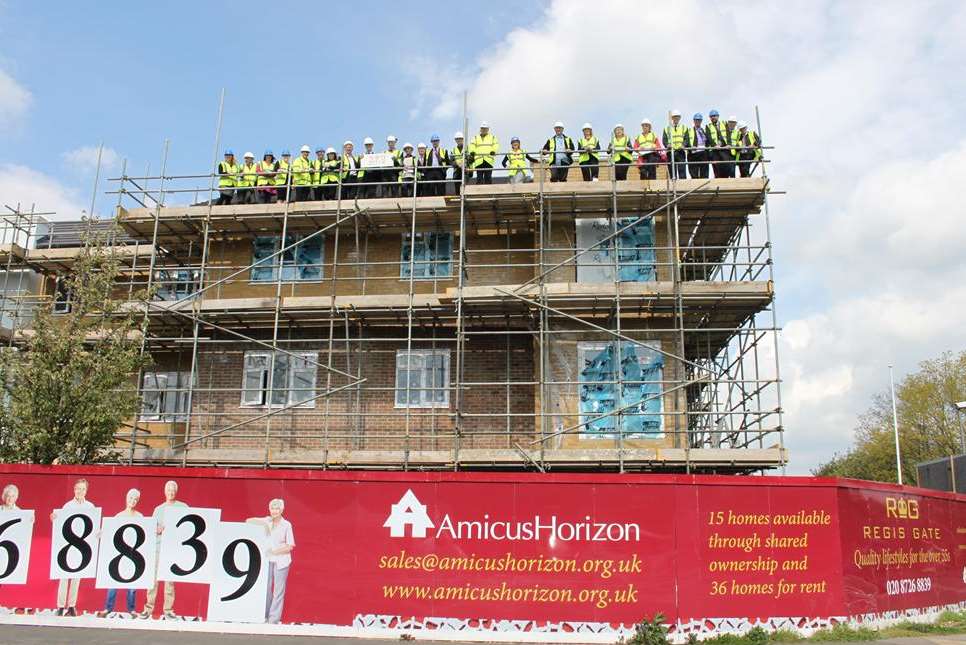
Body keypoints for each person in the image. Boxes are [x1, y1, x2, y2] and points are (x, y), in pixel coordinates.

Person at [139, 480, 187, 620]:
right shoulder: (158, 509)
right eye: (168, 489)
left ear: (176, 491)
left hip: (173, 549)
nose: (171, 492)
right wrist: (157, 529)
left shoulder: (183, 507)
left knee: (169, 582)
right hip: (159, 548)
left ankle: (168, 610)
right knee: (153, 580)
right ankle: (148, 609)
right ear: (165, 492)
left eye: (173, 489)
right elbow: (151, 528)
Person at [246, 499, 295, 625]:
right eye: (272, 508)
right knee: (266, 588)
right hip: (268, 560)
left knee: (278, 590)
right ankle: (265, 615)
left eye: (277, 508)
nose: (275, 511)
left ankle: (273, 619)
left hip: (282, 560)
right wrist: (263, 521)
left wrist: (275, 552)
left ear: (282, 510)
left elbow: (290, 546)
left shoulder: (286, 525)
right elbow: (248, 521)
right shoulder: (267, 521)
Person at [51, 478, 94, 616]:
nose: (80, 491)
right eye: (78, 488)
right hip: (68, 544)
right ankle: (60, 606)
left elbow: (93, 527)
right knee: (64, 576)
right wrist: (54, 519)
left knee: (77, 577)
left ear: (86, 491)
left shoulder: (91, 507)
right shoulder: (68, 506)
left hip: (82, 546)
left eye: (83, 489)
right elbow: (60, 525)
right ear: (74, 490)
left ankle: (71, 606)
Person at [100, 488, 142, 616]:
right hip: (120, 552)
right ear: (126, 499)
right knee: (114, 579)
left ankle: (131, 609)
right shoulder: (119, 516)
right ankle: (108, 608)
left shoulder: (140, 517)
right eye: (131, 498)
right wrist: (102, 532)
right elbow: (110, 530)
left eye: (135, 499)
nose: (132, 501)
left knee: (133, 582)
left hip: (133, 552)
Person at [705, 109, 730, 178]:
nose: (713, 117)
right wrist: (714, 145)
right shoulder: (708, 126)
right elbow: (709, 137)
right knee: (717, 168)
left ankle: (725, 181)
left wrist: (729, 144)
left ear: (718, 116)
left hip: (724, 149)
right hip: (715, 150)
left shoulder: (724, 123)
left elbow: (728, 134)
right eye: (711, 116)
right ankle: (718, 182)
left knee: (726, 166)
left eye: (714, 116)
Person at [663, 109, 687, 180]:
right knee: (672, 171)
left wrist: (684, 145)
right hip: (671, 152)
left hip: (680, 151)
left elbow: (687, 138)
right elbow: (664, 139)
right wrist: (667, 145)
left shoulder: (684, 127)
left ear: (680, 118)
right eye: (674, 117)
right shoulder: (667, 128)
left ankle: (682, 187)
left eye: (677, 117)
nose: (676, 118)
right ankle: (673, 186)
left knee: (682, 170)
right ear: (672, 118)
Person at [684, 113, 709, 179]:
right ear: (694, 121)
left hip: (703, 152)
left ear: (701, 121)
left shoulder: (703, 130)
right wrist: (689, 146)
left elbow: (707, 140)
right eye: (696, 120)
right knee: (693, 172)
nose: (698, 122)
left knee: (704, 172)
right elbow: (686, 140)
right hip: (693, 153)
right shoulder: (689, 130)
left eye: (699, 120)